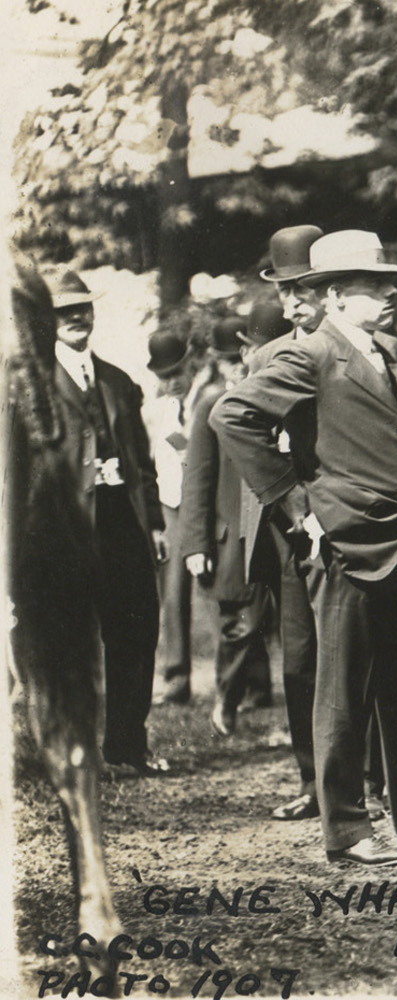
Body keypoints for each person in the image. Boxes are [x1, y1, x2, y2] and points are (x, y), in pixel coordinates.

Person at [213, 229, 397, 866]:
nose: (390, 292)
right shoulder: (308, 355)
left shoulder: (385, 350)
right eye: (373, 285)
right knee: (341, 692)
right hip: (344, 545)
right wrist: (297, 504)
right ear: (334, 295)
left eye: (388, 281)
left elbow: (374, 432)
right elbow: (232, 416)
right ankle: (348, 831)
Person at [46, 270, 168, 774]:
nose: (77, 317)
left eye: (83, 307)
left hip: (123, 523)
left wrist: (156, 523)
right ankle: (71, 751)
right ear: (46, 320)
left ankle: (125, 748)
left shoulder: (118, 380)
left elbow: (142, 460)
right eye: (64, 310)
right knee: (67, 640)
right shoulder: (29, 387)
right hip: (63, 530)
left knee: (136, 631)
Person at [244, 224, 327, 823]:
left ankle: (371, 776)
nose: (294, 301)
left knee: (359, 653)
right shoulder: (266, 358)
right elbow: (246, 437)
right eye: (284, 291)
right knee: (299, 658)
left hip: (351, 521)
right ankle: (315, 780)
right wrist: (287, 498)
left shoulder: (363, 350)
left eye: (305, 287)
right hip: (292, 528)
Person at [179, 318, 272, 738]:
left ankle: (273, 702)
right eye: (231, 361)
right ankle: (226, 698)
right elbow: (196, 478)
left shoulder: (275, 397)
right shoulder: (211, 406)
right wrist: (195, 543)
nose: (240, 368)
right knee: (241, 623)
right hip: (233, 534)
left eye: (244, 359)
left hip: (277, 528)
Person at [141, 331, 197, 705]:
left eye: (177, 372)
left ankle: (250, 682)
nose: (172, 381)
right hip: (172, 504)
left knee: (229, 590)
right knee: (174, 593)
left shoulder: (207, 401)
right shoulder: (153, 413)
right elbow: (147, 464)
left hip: (206, 503)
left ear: (190, 365)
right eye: (164, 376)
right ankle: (177, 678)